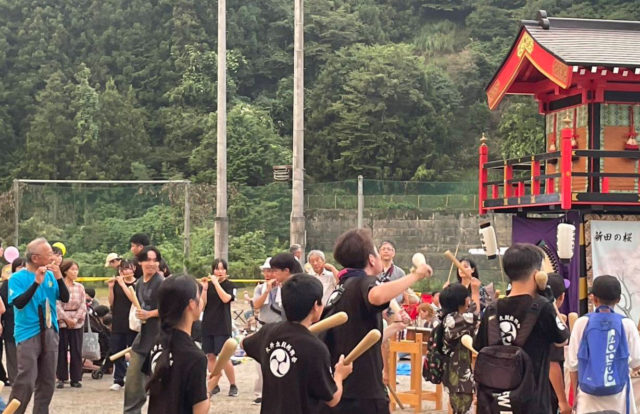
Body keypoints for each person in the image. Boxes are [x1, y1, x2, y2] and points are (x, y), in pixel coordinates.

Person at [322, 229, 432, 413]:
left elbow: (364, 338)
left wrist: (395, 327)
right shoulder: (363, 282)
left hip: (343, 388)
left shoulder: (342, 288)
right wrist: (416, 275)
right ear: (372, 260)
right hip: (363, 392)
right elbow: (377, 295)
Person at [474, 243, 569, 414]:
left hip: (494, 403)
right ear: (537, 274)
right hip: (532, 404)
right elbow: (563, 339)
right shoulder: (543, 307)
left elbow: (478, 347)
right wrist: (551, 301)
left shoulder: (492, 309)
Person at [243, 274, 353, 414]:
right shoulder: (315, 348)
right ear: (315, 306)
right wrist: (340, 374)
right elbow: (332, 399)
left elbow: (243, 344)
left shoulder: (268, 332)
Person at [8, 238, 70, 414]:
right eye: (49, 254)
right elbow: (19, 303)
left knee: (48, 380)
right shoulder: (17, 278)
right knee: (26, 379)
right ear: (35, 258)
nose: (53, 257)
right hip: (28, 332)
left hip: (50, 330)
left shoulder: (51, 275)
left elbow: (64, 298)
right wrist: (36, 283)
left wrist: (59, 277)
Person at [567, 275, 640, 414]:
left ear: (593, 298)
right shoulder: (627, 324)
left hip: (587, 398)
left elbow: (573, 365)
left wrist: (573, 398)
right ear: (618, 299)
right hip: (619, 397)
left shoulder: (582, 323)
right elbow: (636, 363)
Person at [146, 274, 210, 414]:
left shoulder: (158, 342)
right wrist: (208, 389)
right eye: (199, 296)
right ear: (191, 304)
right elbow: (200, 409)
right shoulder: (195, 356)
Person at [124, 246, 165, 414]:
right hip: (144, 336)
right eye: (147, 260)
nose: (151, 263)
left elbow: (170, 308)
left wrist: (150, 314)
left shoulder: (161, 283)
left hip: (159, 338)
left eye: (155, 260)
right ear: (140, 262)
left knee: (159, 384)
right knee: (133, 381)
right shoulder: (140, 283)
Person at [201, 258, 238, 397]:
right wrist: (204, 289)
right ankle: (214, 384)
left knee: (224, 357)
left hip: (222, 325)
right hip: (208, 324)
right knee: (210, 355)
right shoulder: (209, 284)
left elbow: (226, 298)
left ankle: (233, 385)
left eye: (222, 268)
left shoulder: (229, 285)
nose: (220, 271)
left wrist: (216, 283)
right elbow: (203, 305)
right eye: (217, 268)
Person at [439, 283, 479, 414]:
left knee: (459, 407)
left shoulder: (447, 316)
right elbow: (475, 314)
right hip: (458, 375)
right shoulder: (455, 320)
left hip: (455, 372)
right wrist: (475, 291)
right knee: (461, 408)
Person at [251, 257, 280, 405]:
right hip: (263, 327)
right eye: (266, 271)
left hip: (279, 326)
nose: (268, 274)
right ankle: (260, 392)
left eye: (271, 271)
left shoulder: (284, 288)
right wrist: (266, 291)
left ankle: (277, 391)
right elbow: (256, 305)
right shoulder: (259, 288)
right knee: (260, 360)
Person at [107, 260, 137, 391]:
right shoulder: (117, 284)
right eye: (124, 269)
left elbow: (133, 299)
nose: (127, 271)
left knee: (133, 351)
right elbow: (111, 302)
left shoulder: (138, 283)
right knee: (116, 350)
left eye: (129, 268)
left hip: (132, 322)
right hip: (118, 321)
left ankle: (133, 378)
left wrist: (122, 284)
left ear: (134, 269)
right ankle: (118, 379)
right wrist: (111, 287)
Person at [55, 260, 87, 389]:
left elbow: (83, 304)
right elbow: (57, 304)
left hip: (77, 323)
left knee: (76, 350)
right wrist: (66, 319)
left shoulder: (80, 287)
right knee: (61, 349)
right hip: (62, 321)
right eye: (72, 269)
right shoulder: (59, 286)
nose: (75, 272)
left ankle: (76, 378)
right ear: (65, 271)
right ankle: (61, 377)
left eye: (76, 269)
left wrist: (75, 319)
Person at [547, 273, 571, 414]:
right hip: (548, 391)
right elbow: (553, 364)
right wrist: (562, 400)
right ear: (561, 297)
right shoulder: (552, 322)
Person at [0, 258, 24, 385]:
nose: (22, 269)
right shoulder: (7, 284)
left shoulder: (33, 283)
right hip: (11, 323)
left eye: (24, 267)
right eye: (19, 267)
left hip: (28, 324)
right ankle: (15, 380)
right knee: (12, 353)